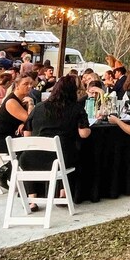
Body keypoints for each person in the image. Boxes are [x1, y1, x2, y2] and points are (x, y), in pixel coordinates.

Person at [21, 75, 92, 208]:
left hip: (30, 159)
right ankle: (63, 193)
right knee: (72, 151)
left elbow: (27, 134)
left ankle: (32, 199)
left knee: (33, 153)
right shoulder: (76, 108)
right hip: (60, 159)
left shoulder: (39, 107)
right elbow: (83, 134)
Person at [0, 74, 35, 155]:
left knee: (31, 145)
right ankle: (10, 167)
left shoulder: (23, 100)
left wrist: (23, 123)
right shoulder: (12, 101)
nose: (30, 86)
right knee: (31, 147)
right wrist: (31, 104)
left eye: (31, 83)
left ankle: (13, 167)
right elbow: (30, 120)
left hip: (10, 137)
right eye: (26, 84)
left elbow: (27, 121)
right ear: (17, 85)